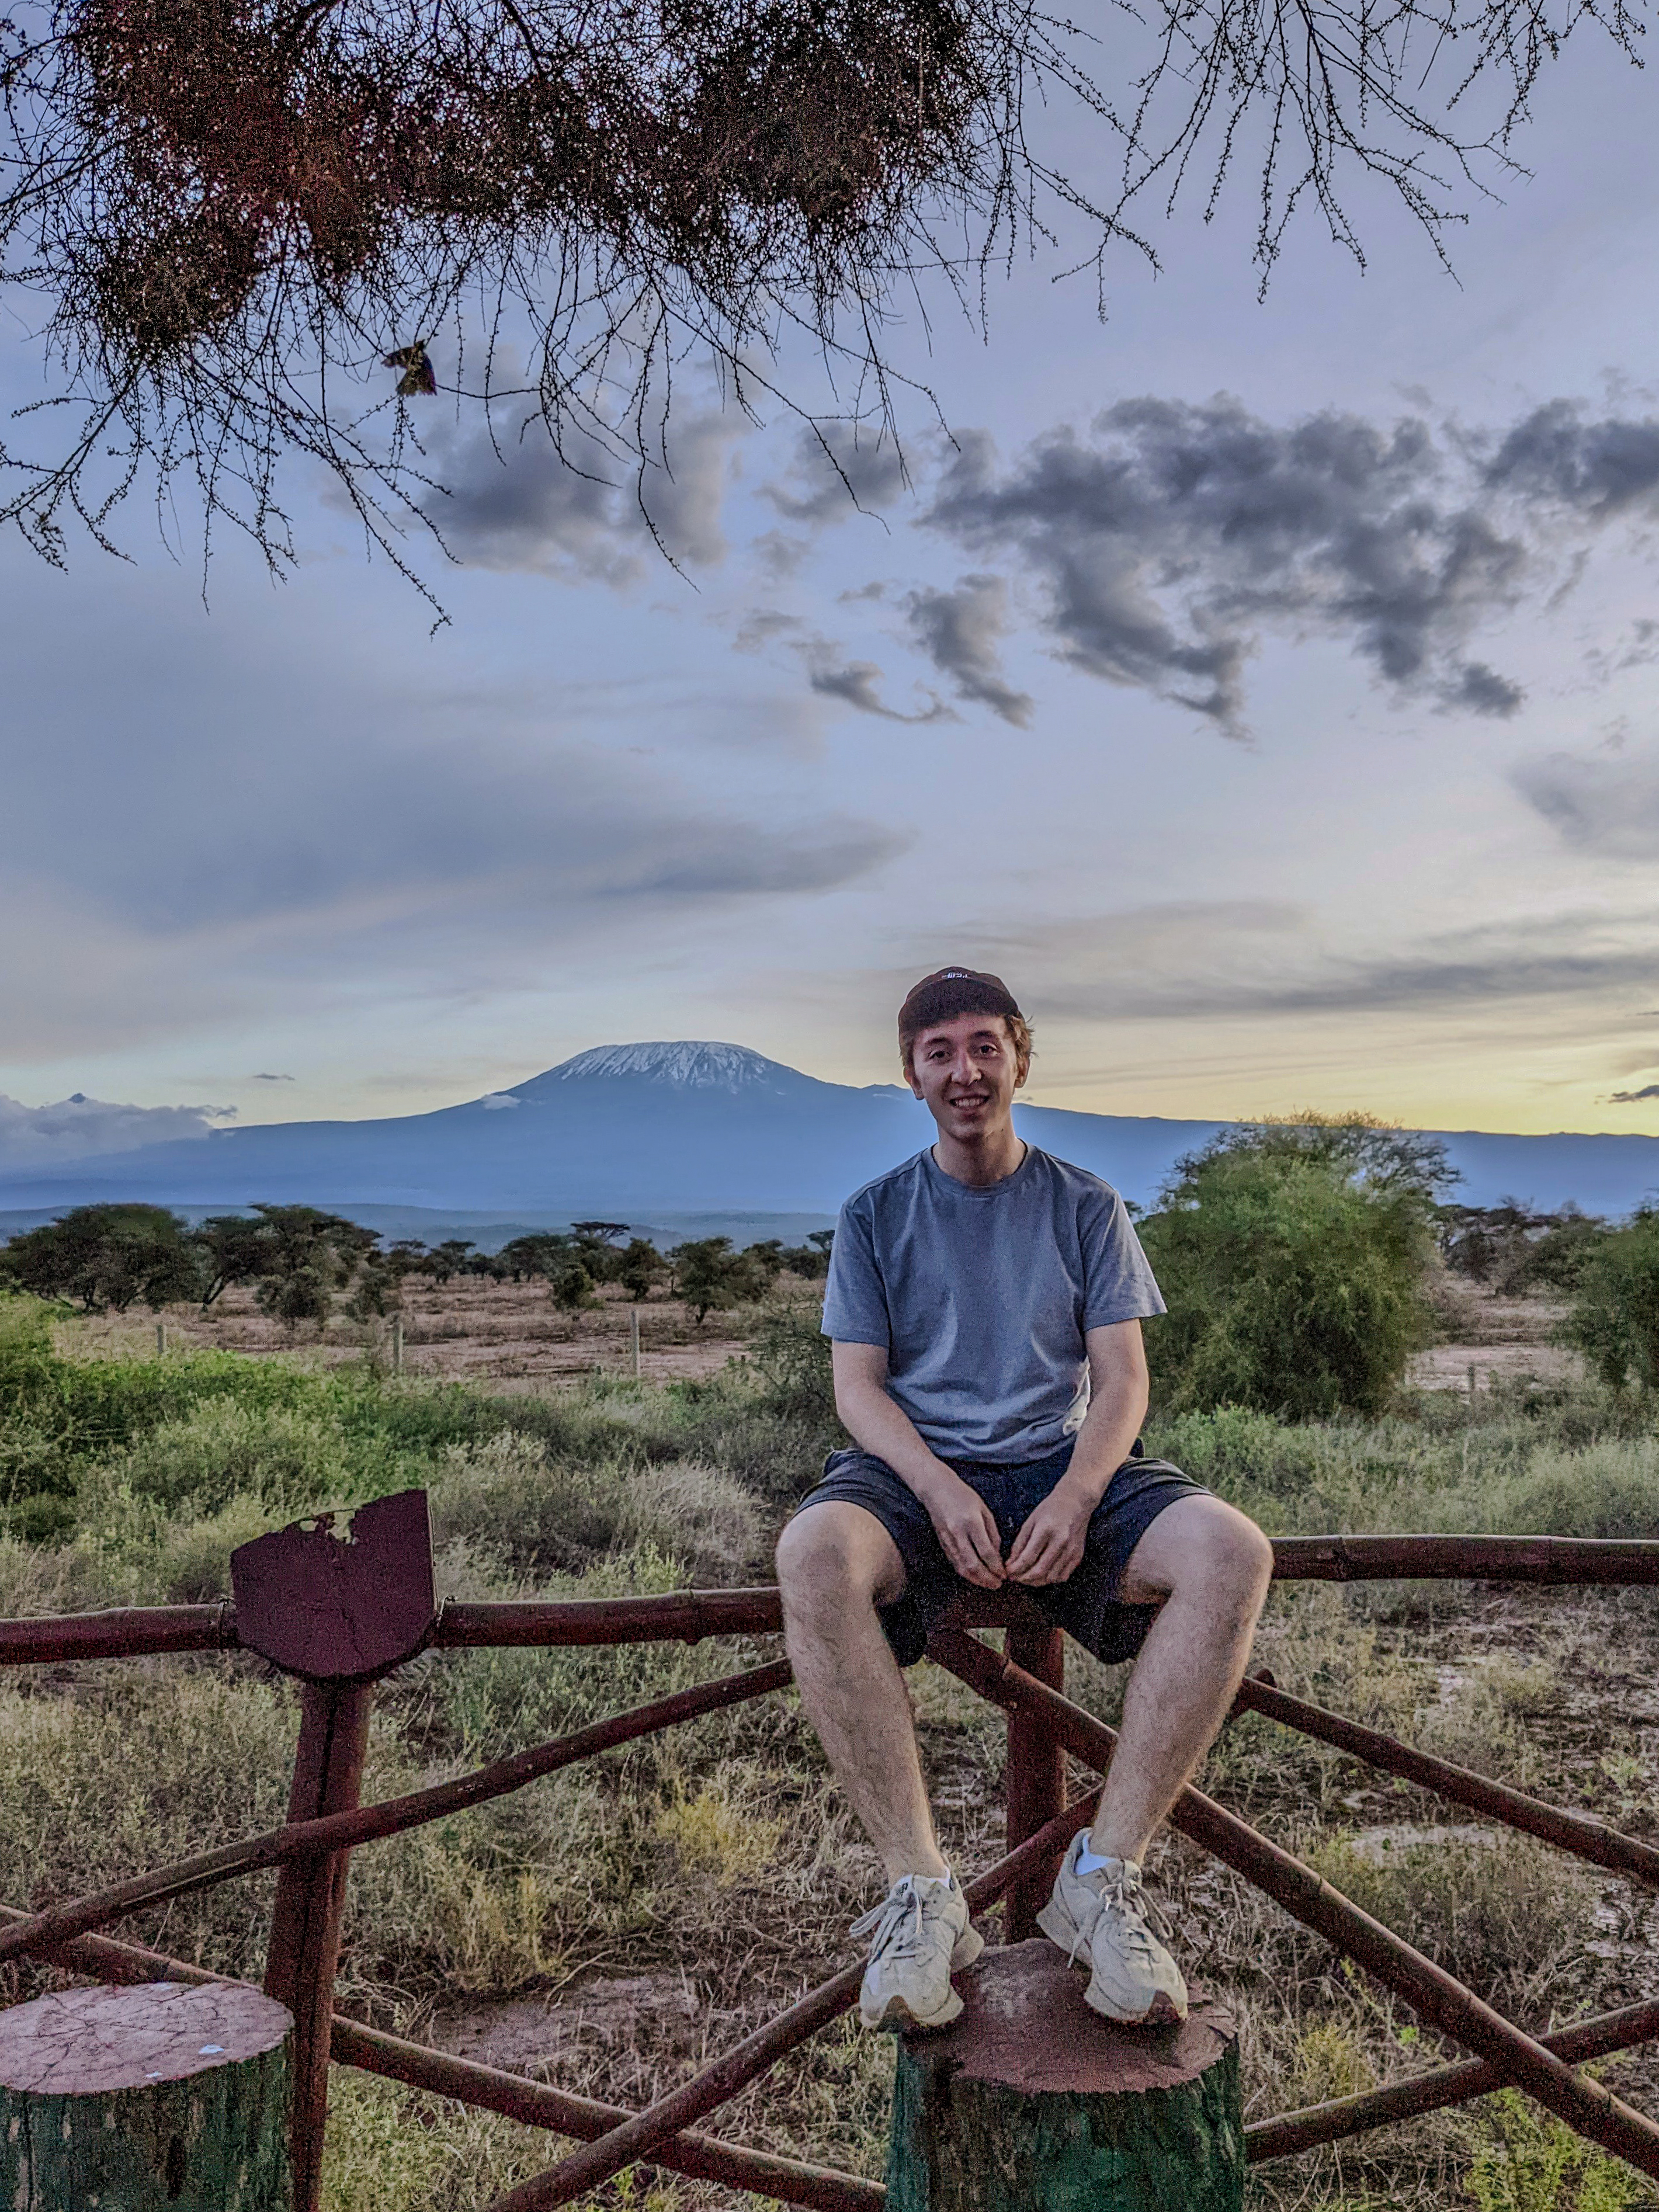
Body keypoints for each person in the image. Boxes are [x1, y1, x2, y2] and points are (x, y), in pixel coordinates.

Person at [775, 967, 1274, 2033]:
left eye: (985, 1046)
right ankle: (922, 1896)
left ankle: (1102, 1880)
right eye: (941, 1052)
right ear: (910, 1075)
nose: (966, 1070)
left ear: (1021, 1057)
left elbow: (1124, 1380)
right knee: (816, 1552)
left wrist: (1082, 1491)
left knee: (1231, 1551)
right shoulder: (876, 1215)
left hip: (1060, 1457)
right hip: (917, 1472)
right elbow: (857, 1389)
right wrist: (937, 1484)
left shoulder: (1086, 1204)